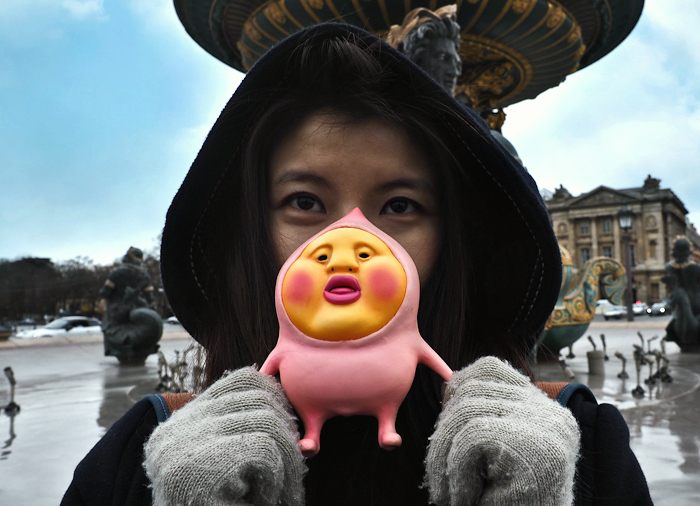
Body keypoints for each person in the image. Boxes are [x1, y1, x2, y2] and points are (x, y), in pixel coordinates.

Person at [62, 24, 652, 506]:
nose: (348, 241)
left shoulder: (581, 446)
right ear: (249, 234)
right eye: (304, 202)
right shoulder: (144, 454)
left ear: (455, 241)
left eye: (399, 206)